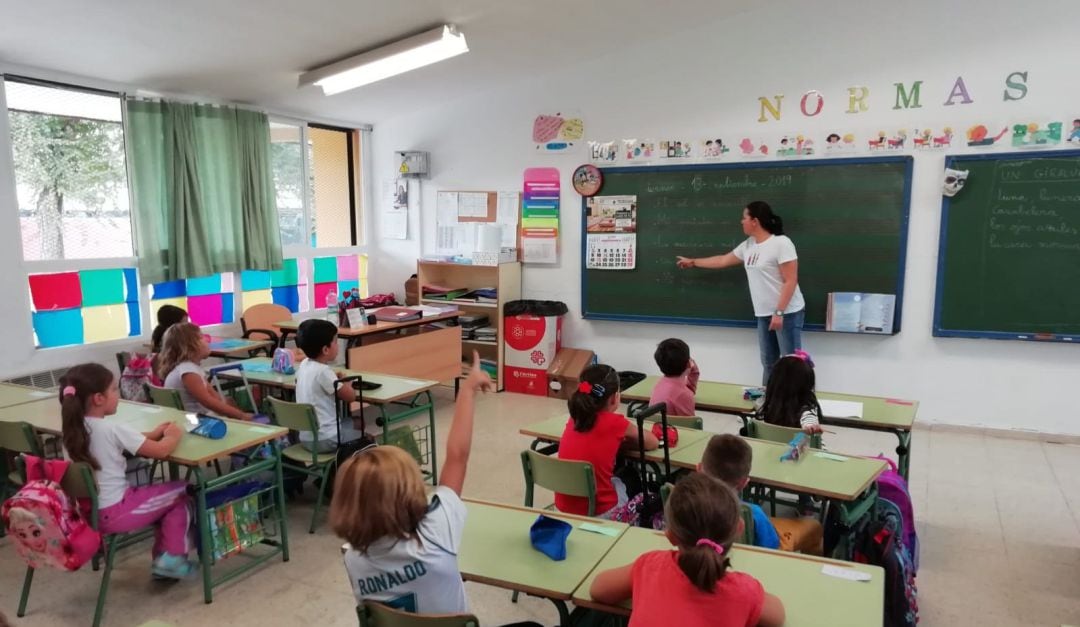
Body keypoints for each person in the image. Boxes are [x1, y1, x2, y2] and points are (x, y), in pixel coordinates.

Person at [331, 352, 493, 613]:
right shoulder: (437, 531)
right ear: (411, 493)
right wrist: (468, 388)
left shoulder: (353, 559)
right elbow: (457, 456)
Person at [589, 472, 786, 627]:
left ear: (670, 535)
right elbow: (778, 616)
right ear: (739, 529)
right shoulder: (744, 591)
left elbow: (598, 589)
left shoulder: (649, 566)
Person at [59, 363, 196, 579]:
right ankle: (171, 558)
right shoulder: (112, 429)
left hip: (89, 514)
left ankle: (165, 559)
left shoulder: (71, 432)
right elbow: (161, 451)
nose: (118, 394)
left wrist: (152, 433)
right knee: (183, 493)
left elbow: (122, 440)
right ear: (98, 399)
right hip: (116, 511)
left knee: (164, 498)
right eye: (114, 389)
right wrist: (173, 435)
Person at [675, 200, 806, 384]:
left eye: (744, 217)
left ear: (755, 221)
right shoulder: (749, 245)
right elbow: (722, 260)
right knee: (769, 363)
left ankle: (797, 405)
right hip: (763, 314)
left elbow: (790, 280)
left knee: (792, 364)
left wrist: (779, 312)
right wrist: (694, 262)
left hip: (787, 313)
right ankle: (768, 402)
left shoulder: (781, 243)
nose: (741, 221)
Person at [555, 364, 658, 517]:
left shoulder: (574, 419)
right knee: (631, 476)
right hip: (600, 511)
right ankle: (635, 521)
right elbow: (652, 442)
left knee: (619, 471)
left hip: (564, 508)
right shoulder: (615, 423)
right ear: (613, 397)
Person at [701, 434, 823, 555]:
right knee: (814, 527)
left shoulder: (686, 502)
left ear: (698, 468)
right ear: (744, 483)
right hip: (757, 553)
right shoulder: (753, 513)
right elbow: (772, 545)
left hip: (712, 553)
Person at [294, 319, 364, 452]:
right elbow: (350, 397)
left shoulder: (304, 365)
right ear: (326, 349)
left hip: (305, 438)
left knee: (356, 422)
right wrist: (347, 382)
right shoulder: (324, 372)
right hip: (327, 439)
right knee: (368, 439)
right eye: (336, 342)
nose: (338, 346)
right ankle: (345, 466)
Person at [159, 322, 253, 420]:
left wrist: (236, 412)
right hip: (196, 422)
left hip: (194, 419)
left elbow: (216, 398)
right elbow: (209, 402)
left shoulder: (190, 368)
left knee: (229, 401)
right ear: (190, 345)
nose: (207, 341)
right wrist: (241, 416)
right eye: (201, 337)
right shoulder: (188, 371)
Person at [759, 352, 822, 434]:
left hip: (774, 445)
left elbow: (809, 420)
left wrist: (810, 425)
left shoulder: (769, 406)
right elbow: (808, 419)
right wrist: (810, 427)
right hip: (798, 445)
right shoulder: (807, 408)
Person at [649, 338, 699, 417]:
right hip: (673, 429)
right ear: (688, 364)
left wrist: (694, 372)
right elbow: (690, 427)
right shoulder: (684, 395)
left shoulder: (660, 384)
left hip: (655, 427)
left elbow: (688, 391)